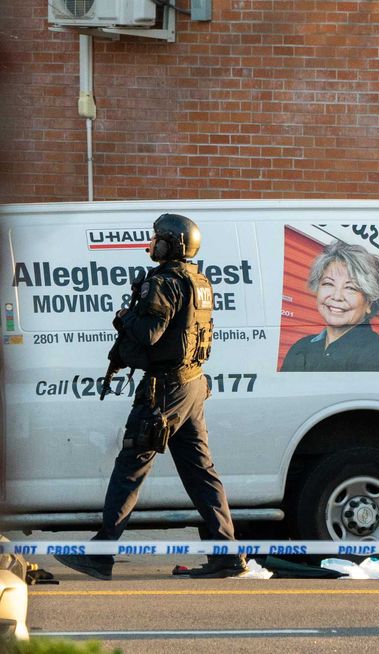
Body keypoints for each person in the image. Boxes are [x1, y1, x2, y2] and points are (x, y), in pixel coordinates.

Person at [55, 213, 245, 580]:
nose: (151, 243)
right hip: (192, 385)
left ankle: (101, 553)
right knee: (201, 472)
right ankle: (228, 554)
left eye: (157, 238)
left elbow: (149, 334)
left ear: (171, 244)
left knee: (131, 465)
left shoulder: (163, 282)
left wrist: (125, 316)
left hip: (165, 390)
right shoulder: (198, 280)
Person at [281, 240, 379, 372]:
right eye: (328, 284)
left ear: (369, 302)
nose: (337, 296)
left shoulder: (378, 356)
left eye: (350, 287)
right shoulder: (300, 347)